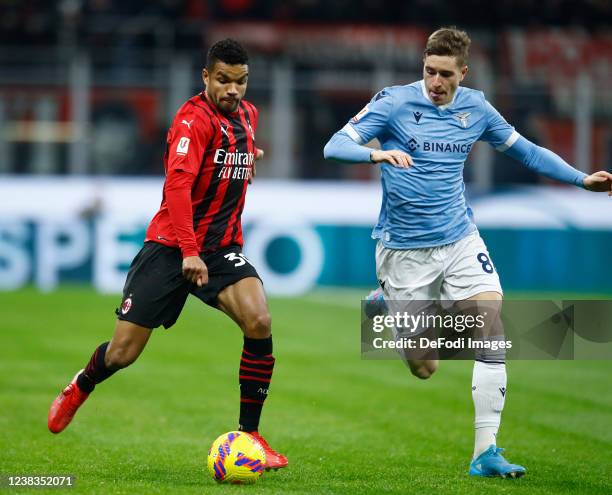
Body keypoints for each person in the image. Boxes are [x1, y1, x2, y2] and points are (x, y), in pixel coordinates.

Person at [324, 27, 612, 478]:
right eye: (429, 72)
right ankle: (385, 306)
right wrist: (376, 156)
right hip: (404, 251)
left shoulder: (476, 107)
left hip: (460, 236)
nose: (435, 82)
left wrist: (581, 179)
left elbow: (528, 152)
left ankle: (486, 452)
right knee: (425, 367)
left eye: (445, 75)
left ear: (464, 72)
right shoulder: (395, 102)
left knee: (490, 324)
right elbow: (334, 145)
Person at [48, 39, 288, 470]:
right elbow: (177, 188)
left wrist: (249, 156)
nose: (233, 90)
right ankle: (81, 384)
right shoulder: (191, 120)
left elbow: (234, 154)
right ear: (206, 77)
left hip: (221, 250)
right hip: (170, 248)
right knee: (123, 354)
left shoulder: (249, 116)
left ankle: (251, 438)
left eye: (241, 81)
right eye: (223, 80)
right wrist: (188, 252)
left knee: (260, 320)